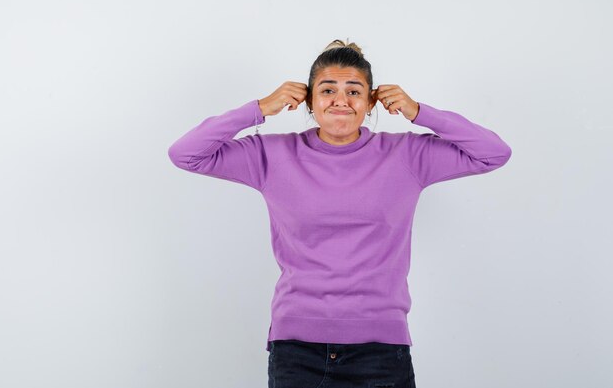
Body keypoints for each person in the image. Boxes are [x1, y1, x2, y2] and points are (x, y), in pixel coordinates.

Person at [167, 39, 512, 388]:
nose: (340, 101)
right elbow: (186, 154)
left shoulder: (407, 155)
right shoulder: (271, 155)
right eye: (328, 89)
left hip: (380, 351)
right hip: (296, 351)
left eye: (354, 91)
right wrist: (259, 108)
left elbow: (493, 153)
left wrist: (419, 112)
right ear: (309, 100)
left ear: (371, 101)